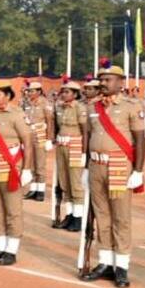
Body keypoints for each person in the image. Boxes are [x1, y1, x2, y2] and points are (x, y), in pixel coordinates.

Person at [80, 58, 145, 288]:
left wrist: (138, 171)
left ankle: (122, 266)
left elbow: (140, 139)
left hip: (119, 166)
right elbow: (89, 137)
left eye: (108, 79)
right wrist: (86, 167)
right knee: (102, 215)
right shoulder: (92, 106)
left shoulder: (131, 106)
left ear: (120, 82)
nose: (103, 83)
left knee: (120, 217)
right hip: (96, 166)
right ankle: (105, 261)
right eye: (102, 79)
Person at [0, 79, 35, 266]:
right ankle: (0, 246)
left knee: (12, 209)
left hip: (9, 166)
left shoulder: (16, 114)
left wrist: (26, 169)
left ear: (8, 95)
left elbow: (28, 142)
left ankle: (11, 250)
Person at [52, 78, 88, 231]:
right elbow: (56, 126)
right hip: (61, 147)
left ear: (75, 94)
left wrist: (84, 153)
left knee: (75, 182)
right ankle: (70, 214)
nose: (63, 94)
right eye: (62, 92)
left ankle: (78, 218)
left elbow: (85, 131)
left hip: (75, 147)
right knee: (64, 181)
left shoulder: (79, 108)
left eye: (67, 92)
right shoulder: (59, 107)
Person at [21, 80, 53, 202]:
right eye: (29, 91)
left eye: (32, 91)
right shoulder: (27, 103)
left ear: (39, 92)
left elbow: (49, 121)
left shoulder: (45, 103)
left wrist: (49, 139)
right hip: (29, 135)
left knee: (40, 164)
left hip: (40, 135)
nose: (29, 93)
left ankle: (41, 191)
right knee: (31, 164)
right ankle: (33, 189)